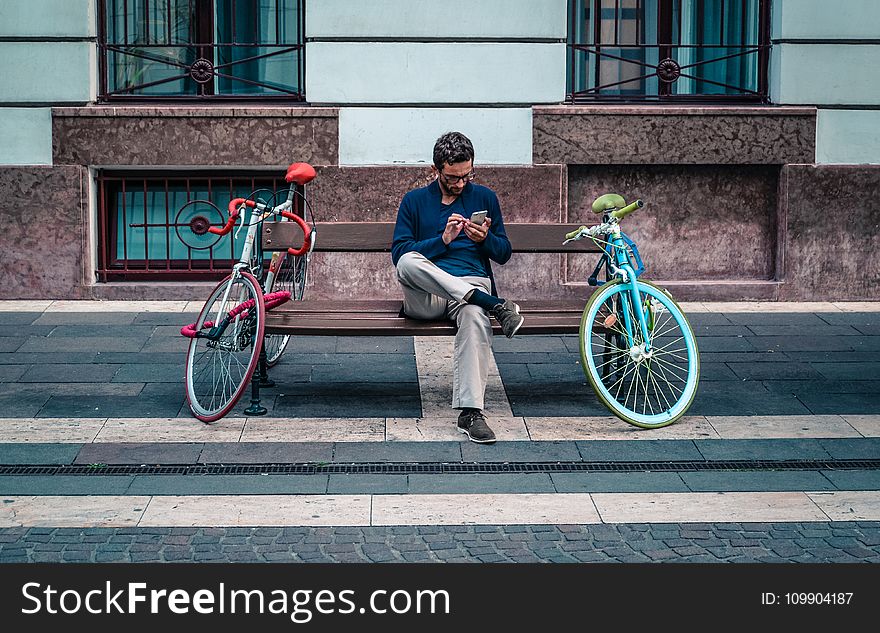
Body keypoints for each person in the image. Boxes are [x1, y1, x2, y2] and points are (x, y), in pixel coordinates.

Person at [391, 131, 523, 444]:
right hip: (426, 295)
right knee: (408, 262)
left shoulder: (485, 198)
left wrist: (484, 239)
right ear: (436, 170)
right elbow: (399, 252)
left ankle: (471, 412)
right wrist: (443, 241)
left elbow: (503, 253)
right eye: (453, 177)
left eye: (467, 175)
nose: (461, 183)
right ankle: (492, 302)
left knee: (476, 315)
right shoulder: (414, 201)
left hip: (469, 283)